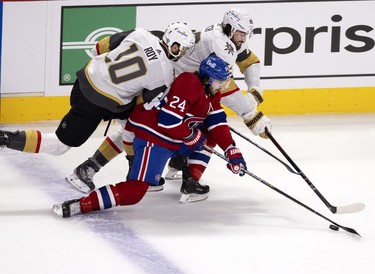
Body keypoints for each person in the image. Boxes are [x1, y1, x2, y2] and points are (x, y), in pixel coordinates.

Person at [63, 7, 272, 194]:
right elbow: (226, 89)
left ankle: (178, 163)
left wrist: (255, 88)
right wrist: (250, 115)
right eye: (241, 33)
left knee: (189, 125)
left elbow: (249, 60)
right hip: (165, 86)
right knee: (138, 128)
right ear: (229, 27)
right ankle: (90, 167)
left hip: (183, 88)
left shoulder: (225, 37)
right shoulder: (221, 45)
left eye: (247, 34)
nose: (244, 38)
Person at [52, 54, 247, 217]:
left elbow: (217, 122)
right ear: (208, 78)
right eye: (221, 81)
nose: (224, 86)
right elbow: (168, 121)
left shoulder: (211, 94)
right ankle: (81, 205)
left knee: (208, 135)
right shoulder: (189, 82)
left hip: (172, 138)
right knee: (134, 192)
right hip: (153, 137)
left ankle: (191, 182)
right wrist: (191, 136)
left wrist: (232, 150)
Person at [0, 23, 195, 165]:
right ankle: (7, 140)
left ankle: (112, 165)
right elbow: (142, 102)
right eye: (183, 48)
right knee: (61, 145)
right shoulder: (165, 75)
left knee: (128, 122)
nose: (183, 53)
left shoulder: (141, 34)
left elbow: (100, 46)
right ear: (173, 43)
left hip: (84, 78)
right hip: (96, 104)